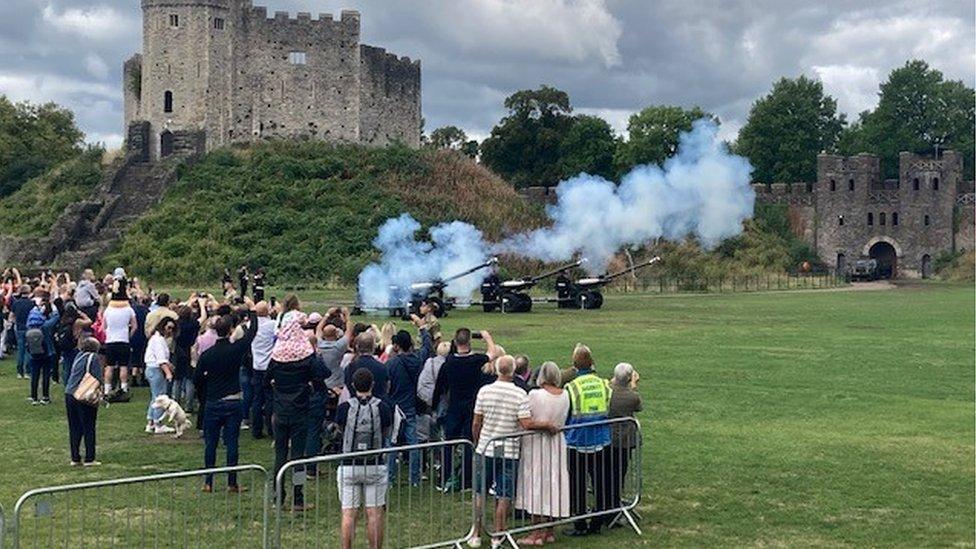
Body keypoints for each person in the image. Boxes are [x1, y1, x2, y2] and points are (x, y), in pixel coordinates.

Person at [470, 355, 557, 548]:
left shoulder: (484, 391)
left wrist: (477, 441)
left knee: (479, 492)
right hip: (509, 450)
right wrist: (546, 425)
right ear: (512, 371)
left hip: (486, 447)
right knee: (504, 495)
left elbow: (476, 422)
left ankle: (476, 533)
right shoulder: (519, 394)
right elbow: (526, 423)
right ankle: (498, 535)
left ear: (498, 370)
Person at [194, 301, 257, 493]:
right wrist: (253, 312)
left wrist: (204, 395)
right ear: (230, 330)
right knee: (232, 442)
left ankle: (208, 481)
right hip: (233, 400)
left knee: (210, 444)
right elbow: (252, 333)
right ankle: (231, 482)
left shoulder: (207, 355)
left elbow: (197, 378)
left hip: (213, 401)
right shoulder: (236, 349)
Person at [432, 328, 498, 491]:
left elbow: (440, 386)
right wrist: (487, 337)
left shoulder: (449, 362)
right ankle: (466, 479)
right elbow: (492, 354)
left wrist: (434, 406)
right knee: (469, 444)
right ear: (469, 342)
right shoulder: (475, 360)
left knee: (449, 443)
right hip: (471, 407)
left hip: (454, 406)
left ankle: (445, 477)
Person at [334, 367, 393, 549]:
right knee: (374, 513)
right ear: (373, 385)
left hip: (349, 464)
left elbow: (339, 431)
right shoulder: (382, 407)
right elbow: (386, 433)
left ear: (352, 385)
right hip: (374, 463)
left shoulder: (344, 408)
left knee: (348, 514)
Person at [514, 361, 571, 545]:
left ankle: (536, 532)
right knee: (553, 482)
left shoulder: (535, 395)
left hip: (538, 443)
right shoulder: (566, 395)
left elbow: (528, 421)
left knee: (536, 484)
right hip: (557, 443)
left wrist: (545, 425)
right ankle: (549, 530)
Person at [266, 311, 317, 510]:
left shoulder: (276, 357)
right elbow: (323, 373)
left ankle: (277, 497)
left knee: (280, 456)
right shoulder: (306, 358)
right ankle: (298, 498)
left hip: (280, 410)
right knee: (298, 457)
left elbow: (265, 379)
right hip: (300, 410)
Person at [563, 344, 613, 537]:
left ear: (574, 365)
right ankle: (597, 522)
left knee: (578, 485)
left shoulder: (571, 387)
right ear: (592, 363)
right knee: (599, 482)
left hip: (577, 441)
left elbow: (566, 414)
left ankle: (580, 522)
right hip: (601, 439)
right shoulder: (604, 384)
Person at [385, 316, 432, 485]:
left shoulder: (391, 364)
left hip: (396, 406)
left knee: (391, 444)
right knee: (413, 443)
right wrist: (422, 328)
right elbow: (428, 346)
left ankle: (389, 478)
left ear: (397, 346)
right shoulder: (418, 359)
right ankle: (414, 478)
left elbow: (387, 386)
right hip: (411, 405)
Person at [607, 362, 642, 512]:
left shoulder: (608, 392)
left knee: (609, 469)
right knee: (621, 470)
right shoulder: (632, 396)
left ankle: (611, 501)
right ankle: (614, 502)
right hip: (625, 440)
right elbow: (638, 406)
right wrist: (633, 384)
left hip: (609, 438)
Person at [64, 337, 103, 466]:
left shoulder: (78, 356)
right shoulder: (94, 358)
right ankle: (89, 458)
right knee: (88, 426)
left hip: (70, 393)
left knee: (74, 427)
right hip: (84, 394)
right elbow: (97, 377)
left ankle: (75, 457)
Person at [102, 281, 136, 397]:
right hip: (123, 340)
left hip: (110, 341)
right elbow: (134, 326)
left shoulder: (108, 310)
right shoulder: (129, 310)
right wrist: (128, 335)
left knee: (109, 366)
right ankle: (123, 388)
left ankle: (107, 389)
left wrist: (108, 334)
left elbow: (103, 327)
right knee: (123, 366)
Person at [144, 317, 176, 434]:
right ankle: (158, 423)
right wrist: (168, 374)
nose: (170, 331)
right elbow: (161, 360)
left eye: (172, 328)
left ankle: (151, 422)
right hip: (156, 370)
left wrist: (169, 365)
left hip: (152, 369)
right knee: (161, 397)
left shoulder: (157, 338)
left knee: (155, 397)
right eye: (169, 328)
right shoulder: (158, 340)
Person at [249, 300, 276, 439]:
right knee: (270, 398)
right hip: (269, 365)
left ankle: (256, 429)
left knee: (257, 399)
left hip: (256, 365)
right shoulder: (272, 325)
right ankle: (271, 429)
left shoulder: (251, 325)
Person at [26, 294, 60, 404]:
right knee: (46, 374)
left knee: (35, 374)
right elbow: (56, 317)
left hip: (33, 352)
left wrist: (37, 307)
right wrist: (53, 307)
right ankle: (45, 397)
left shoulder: (30, 325)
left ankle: (34, 396)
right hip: (47, 351)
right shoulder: (45, 326)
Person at [174, 301, 205, 410]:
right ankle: (188, 405)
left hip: (178, 351)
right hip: (191, 352)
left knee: (177, 379)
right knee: (189, 379)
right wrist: (202, 304)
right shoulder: (193, 324)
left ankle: (176, 403)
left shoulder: (176, 324)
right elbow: (203, 317)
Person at [344, 332, 390, 403]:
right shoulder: (382, 368)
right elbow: (386, 388)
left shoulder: (349, 368)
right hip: (377, 407)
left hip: (356, 407)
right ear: (373, 347)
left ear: (357, 347)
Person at [12, 285, 35, 379]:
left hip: (19, 328)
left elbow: (13, 315)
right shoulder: (31, 303)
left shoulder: (16, 303)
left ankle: (19, 371)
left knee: (20, 350)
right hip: (29, 327)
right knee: (29, 350)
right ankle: (27, 371)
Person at [129, 294, 151, 387]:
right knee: (143, 357)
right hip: (144, 336)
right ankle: (143, 377)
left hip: (134, 336)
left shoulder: (132, 310)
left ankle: (134, 377)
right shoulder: (147, 311)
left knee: (135, 356)